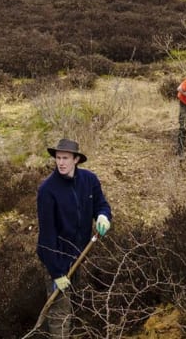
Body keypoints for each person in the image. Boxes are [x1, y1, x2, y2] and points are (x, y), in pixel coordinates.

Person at [36, 137, 113, 339]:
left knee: (75, 303)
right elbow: (47, 237)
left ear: (76, 159)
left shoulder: (89, 180)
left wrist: (104, 216)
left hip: (79, 256)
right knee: (60, 313)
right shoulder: (47, 191)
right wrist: (56, 272)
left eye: (65, 158)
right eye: (58, 158)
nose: (60, 162)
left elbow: (101, 205)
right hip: (57, 258)